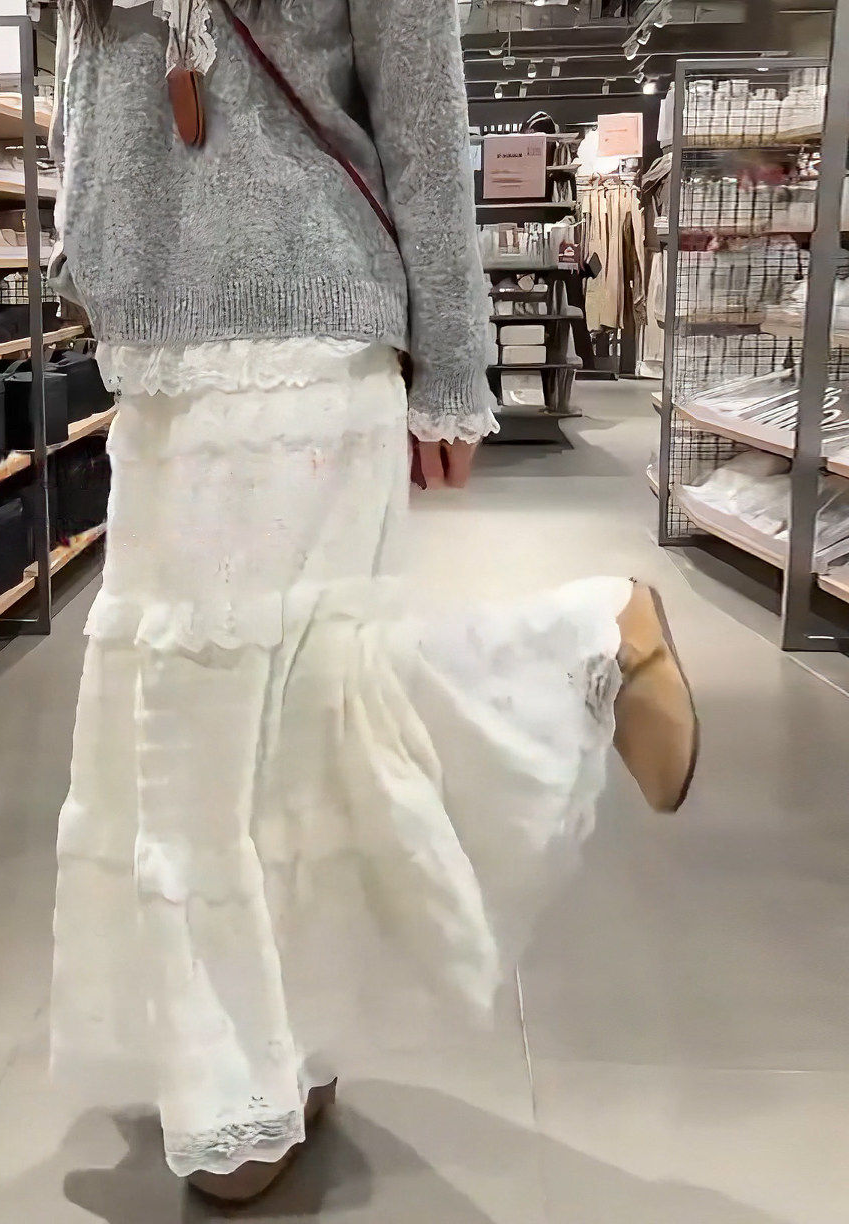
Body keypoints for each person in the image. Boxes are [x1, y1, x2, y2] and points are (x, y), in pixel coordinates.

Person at [47, 0, 699, 1203]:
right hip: (155, 365)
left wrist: (452, 363)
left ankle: (576, 640)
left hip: (307, 339)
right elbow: (92, 83)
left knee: (266, 713)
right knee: (257, 723)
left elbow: (422, 112)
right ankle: (281, 1050)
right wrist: (83, 252)